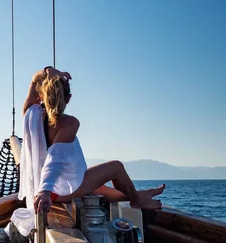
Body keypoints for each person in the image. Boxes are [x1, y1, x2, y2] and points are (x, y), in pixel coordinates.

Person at [19, 66, 165, 214]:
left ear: (42, 95)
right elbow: (54, 159)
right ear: (69, 98)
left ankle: (137, 194)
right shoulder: (68, 123)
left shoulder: (30, 114)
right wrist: (45, 191)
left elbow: (33, 81)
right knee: (116, 167)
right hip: (57, 191)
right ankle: (138, 200)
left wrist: (47, 72)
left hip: (48, 187)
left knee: (98, 187)